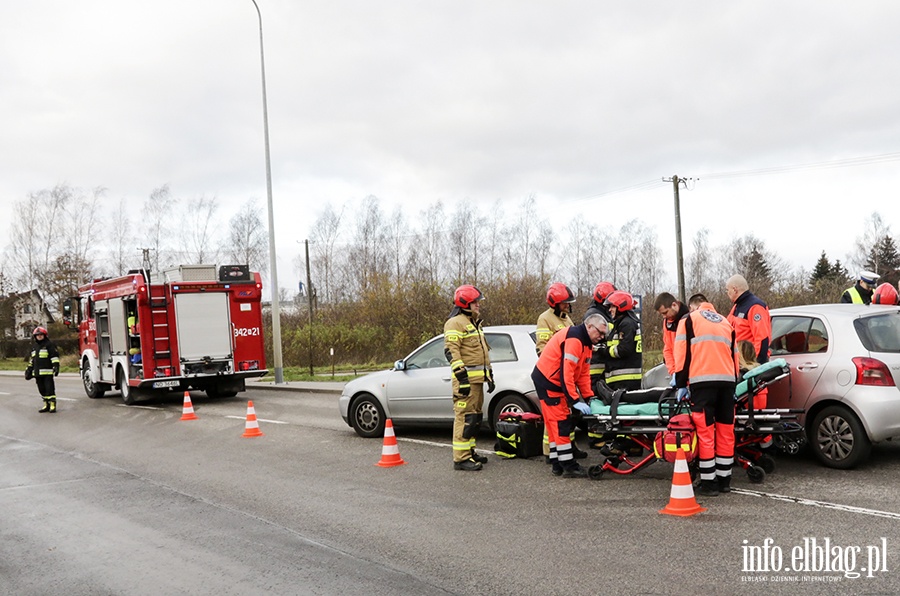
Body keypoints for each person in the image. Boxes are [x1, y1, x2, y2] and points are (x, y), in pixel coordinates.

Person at [674, 297, 739, 496]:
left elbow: (682, 354)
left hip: (702, 383)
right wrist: (734, 382)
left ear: (694, 306)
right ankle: (724, 479)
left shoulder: (689, 319)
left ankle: (709, 482)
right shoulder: (725, 321)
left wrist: (680, 383)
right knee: (726, 431)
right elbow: (735, 355)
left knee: (705, 432)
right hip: (727, 382)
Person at [532, 313, 608, 478]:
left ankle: (557, 464)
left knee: (555, 424)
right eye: (600, 333)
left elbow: (582, 374)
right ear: (589, 327)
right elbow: (567, 373)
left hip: (550, 380)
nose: (601, 337)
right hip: (549, 382)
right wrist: (574, 400)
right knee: (561, 423)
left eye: (603, 335)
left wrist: (588, 397)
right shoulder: (575, 340)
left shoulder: (586, 344)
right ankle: (568, 466)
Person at [444, 285, 493, 471]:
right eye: (475, 302)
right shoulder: (455, 323)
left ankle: (470, 451)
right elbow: (451, 350)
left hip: (477, 381)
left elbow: (482, 352)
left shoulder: (473, 323)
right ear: (465, 303)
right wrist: (462, 377)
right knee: (464, 418)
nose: (479, 305)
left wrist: (489, 375)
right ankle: (461, 458)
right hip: (465, 381)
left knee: (474, 418)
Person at [602, 290, 643, 391]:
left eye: (612, 306)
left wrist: (604, 351)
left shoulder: (627, 324)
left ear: (621, 306)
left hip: (625, 380)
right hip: (620, 379)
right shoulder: (621, 323)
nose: (610, 310)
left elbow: (624, 349)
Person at [654, 292, 690, 378]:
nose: (664, 316)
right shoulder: (667, 323)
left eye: (665, 312)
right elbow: (668, 349)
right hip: (677, 371)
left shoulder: (691, 318)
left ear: (674, 305)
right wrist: (673, 371)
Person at [25, 326, 60, 413]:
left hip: (47, 372)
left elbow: (54, 356)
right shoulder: (34, 347)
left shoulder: (49, 345)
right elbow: (32, 360)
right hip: (37, 373)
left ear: (44, 335)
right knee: (42, 389)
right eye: (37, 335)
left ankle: (52, 404)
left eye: (41, 335)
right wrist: (28, 370)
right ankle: (46, 405)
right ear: (35, 336)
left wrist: (56, 366)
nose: (39, 336)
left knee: (49, 389)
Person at [535, 283, 576, 355]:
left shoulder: (566, 318)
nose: (567, 305)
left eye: (568, 302)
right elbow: (542, 347)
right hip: (556, 363)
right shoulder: (544, 319)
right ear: (555, 303)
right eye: (564, 303)